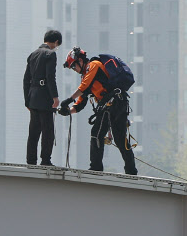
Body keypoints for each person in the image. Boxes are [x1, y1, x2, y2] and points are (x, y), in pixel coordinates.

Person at [59, 47, 137, 175]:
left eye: (74, 66)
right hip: (114, 104)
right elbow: (80, 104)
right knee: (118, 138)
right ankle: (130, 170)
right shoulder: (86, 75)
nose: (74, 70)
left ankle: (97, 168)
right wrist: (68, 111)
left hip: (114, 103)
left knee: (99, 133)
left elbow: (83, 87)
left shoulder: (93, 66)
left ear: (80, 60)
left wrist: (68, 100)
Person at [23, 29, 62, 166]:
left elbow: (26, 79)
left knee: (33, 132)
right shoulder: (50, 54)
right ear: (56, 42)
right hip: (45, 97)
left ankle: (30, 161)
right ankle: (45, 160)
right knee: (47, 131)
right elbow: (50, 77)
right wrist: (55, 97)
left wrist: (27, 100)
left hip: (32, 97)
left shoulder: (33, 54)